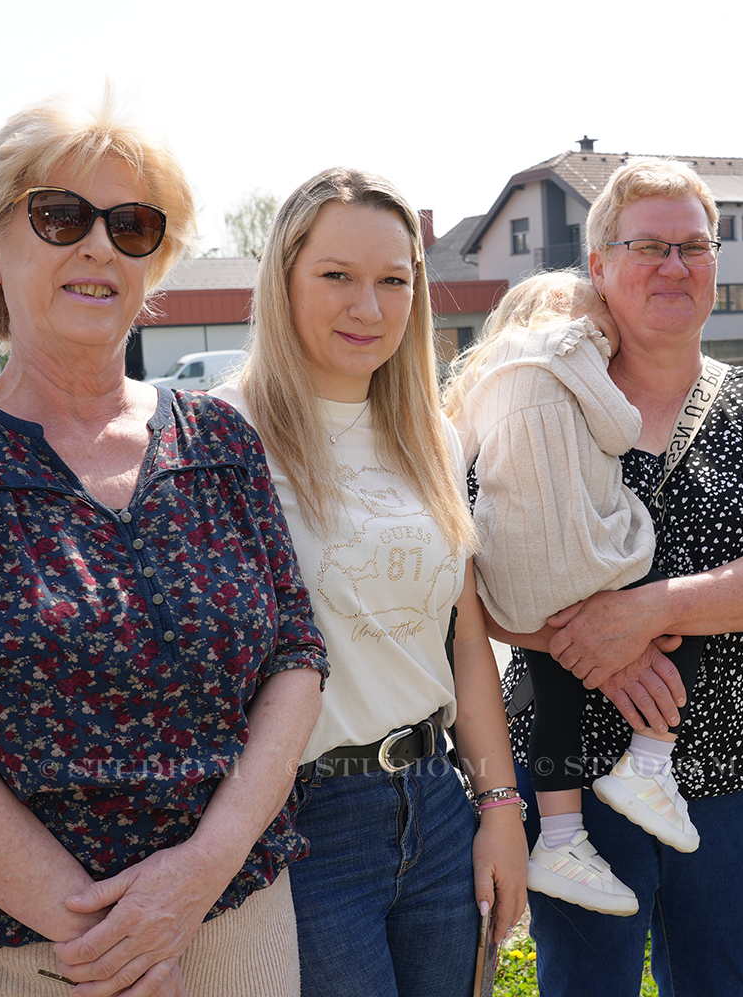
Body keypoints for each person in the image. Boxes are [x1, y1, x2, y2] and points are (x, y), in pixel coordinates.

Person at [0, 91, 328, 997]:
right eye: (61, 216)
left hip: (236, 916)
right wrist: (114, 944)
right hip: (18, 952)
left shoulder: (220, 442)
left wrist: (197, 879)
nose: (100, 246)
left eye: (132, 225)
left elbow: (296, 656)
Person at [478, 157, 743, 996]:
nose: (675, 266)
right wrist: (604, 653)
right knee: (584, 985)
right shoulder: (539, 397)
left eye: (694, 247)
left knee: (715, 982)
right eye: (648, 246)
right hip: (571, 778)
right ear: (599, 266)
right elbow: (477, 577)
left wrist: (648, 613)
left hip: (730, 768)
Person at [209, 166, 527, 996]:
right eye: (337, 276)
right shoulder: (222, 436)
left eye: (393, 280)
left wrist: (499, 808)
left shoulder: (431, 436)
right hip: (302, 824)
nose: (370, 307)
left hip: (438, 803)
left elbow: (465, 642)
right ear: (284, 280)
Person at [444, 271, 706, 917]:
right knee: (681, 611)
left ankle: (560, 841)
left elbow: (452, 458)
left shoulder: (482, 373)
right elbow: (619, 428)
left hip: (514, 582)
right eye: (609, 333)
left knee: (553, 696)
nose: (611, 346)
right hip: (584, 557)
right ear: (574, 314)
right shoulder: (572, 343)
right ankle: (649, 763)